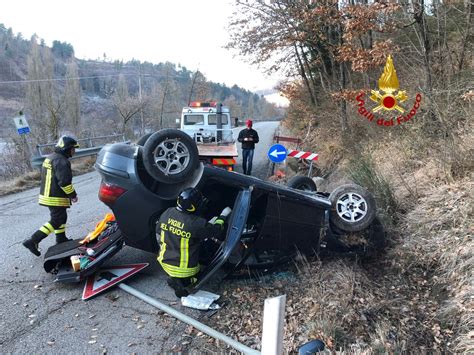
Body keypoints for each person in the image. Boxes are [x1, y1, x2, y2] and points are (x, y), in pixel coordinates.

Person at [157, 187, 231, 297]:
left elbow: (159, 230)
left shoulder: (167, 213)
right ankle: (185, 284)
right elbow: (216, 230)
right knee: (209, 248)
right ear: (193, 207)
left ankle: (175, 278)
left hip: (164, 262)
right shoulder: (195, 223)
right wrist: (223, 216)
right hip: (185, 270)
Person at [23, 136, 80, 256]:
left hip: (49, 195)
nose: (74, 151)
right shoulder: (62, 161)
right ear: (66, 149)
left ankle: (61, 238)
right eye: (72, 149)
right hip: (55, 197)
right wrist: (73, 195)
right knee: (56, 220)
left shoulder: (51, 157)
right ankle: (33, 240)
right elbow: (64, 182)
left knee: (61, 217)